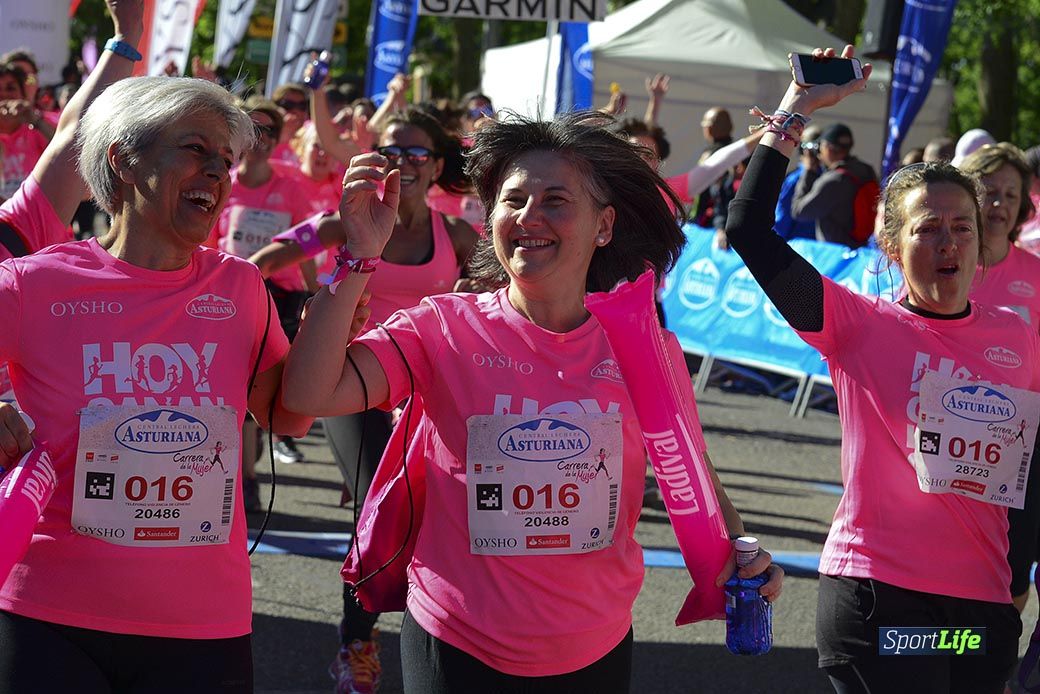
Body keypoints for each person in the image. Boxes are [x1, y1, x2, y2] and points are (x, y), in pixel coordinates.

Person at [283, 110, 783, 692]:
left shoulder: (646, 349)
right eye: (513, 200)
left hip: (594, 645)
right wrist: (359, 256)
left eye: (555, 200)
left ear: (604, 225)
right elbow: (309, 394)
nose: (528, 217)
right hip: (456, 640)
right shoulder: (441, 326)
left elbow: (693, 469)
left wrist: (743, 553)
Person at [725, 45, 1033, 693]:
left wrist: (1019, 583)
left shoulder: (1018, 337)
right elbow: (749, 229)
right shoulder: (855, 322)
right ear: (892, 245)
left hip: (981, 608)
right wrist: (797, 107)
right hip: (881, 597)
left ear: (982, 242)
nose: (948, 242)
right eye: (928, 229)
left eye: (962, 228)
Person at [0, 73, 314, 691]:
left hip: (202, 623)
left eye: (226, 159)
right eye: (195, 149)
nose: (217, 172)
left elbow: (287, 416)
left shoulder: (239, 286)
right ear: (123, 160)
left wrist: (332, 314)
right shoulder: (34, 283)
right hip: (47, 614)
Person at [253, 105, 478, 694]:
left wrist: (476, 292)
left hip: (423, 392)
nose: (403, 163)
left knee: (433, 511)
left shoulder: (458, 236)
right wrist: (256, 321)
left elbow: (501, 293)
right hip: (350, 384)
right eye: (391, 152)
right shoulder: (345, 223)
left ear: (436, 166)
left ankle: (449, 631)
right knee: (376, 499)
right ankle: (356, 645)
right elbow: (264, 263)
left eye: (416, 153)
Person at [208, 96, 314, 492]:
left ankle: (247, 469)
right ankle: (245, 480)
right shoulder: (221, 181)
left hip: (280, 296)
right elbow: (208, 242)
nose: (261, 137)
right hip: (227, 294)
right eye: (253, 128)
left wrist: (315, 291)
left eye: (270, 130)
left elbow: (308, 240)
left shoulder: (291, 187)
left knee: (263, 386)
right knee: (234, 383)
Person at [959, 143, 1040, 616]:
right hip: (953, 431)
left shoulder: (1035, 273)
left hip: (1023, 439)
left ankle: (995, 654)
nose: (999, 204)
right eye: (989, 191)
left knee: (1013, 562)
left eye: (1011, 195)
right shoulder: (945, 260)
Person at [791, 122, 878, 248]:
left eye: (820, 145)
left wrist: (809, 171)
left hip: (837, 252)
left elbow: (798, 211)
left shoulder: (833, 180)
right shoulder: (866, 170)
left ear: (828, 148)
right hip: (863, 248)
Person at [773, 124, 822, 241]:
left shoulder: (794, 179)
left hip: (801, 246)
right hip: (803, 246)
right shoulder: (795, 180)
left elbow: (781, 222)